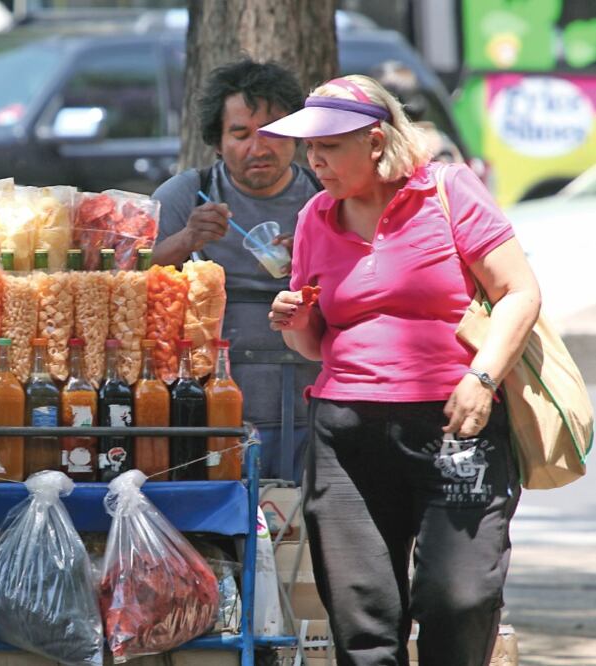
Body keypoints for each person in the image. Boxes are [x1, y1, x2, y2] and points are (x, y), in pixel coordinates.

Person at [263, 75, 540, 665]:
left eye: (329, 146)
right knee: (362, 619)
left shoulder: (448, 190)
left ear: (376, 141)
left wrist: (483, 378)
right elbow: (315, 345)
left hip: (456, 423)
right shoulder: (316, 216)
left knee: (458, 597)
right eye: (309, 148)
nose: (315, 161)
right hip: (346, 430)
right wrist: (294, 321)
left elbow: (519, 291)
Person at [152, 59, 321, 480]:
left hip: (313, 408)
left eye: (272, 132)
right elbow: (127, 277)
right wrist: (186, 241)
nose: (258, 148)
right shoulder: (187, 196)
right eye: (241, 134)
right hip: (209, 409)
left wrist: (314, 256)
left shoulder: (326, 195)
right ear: (216, 141)